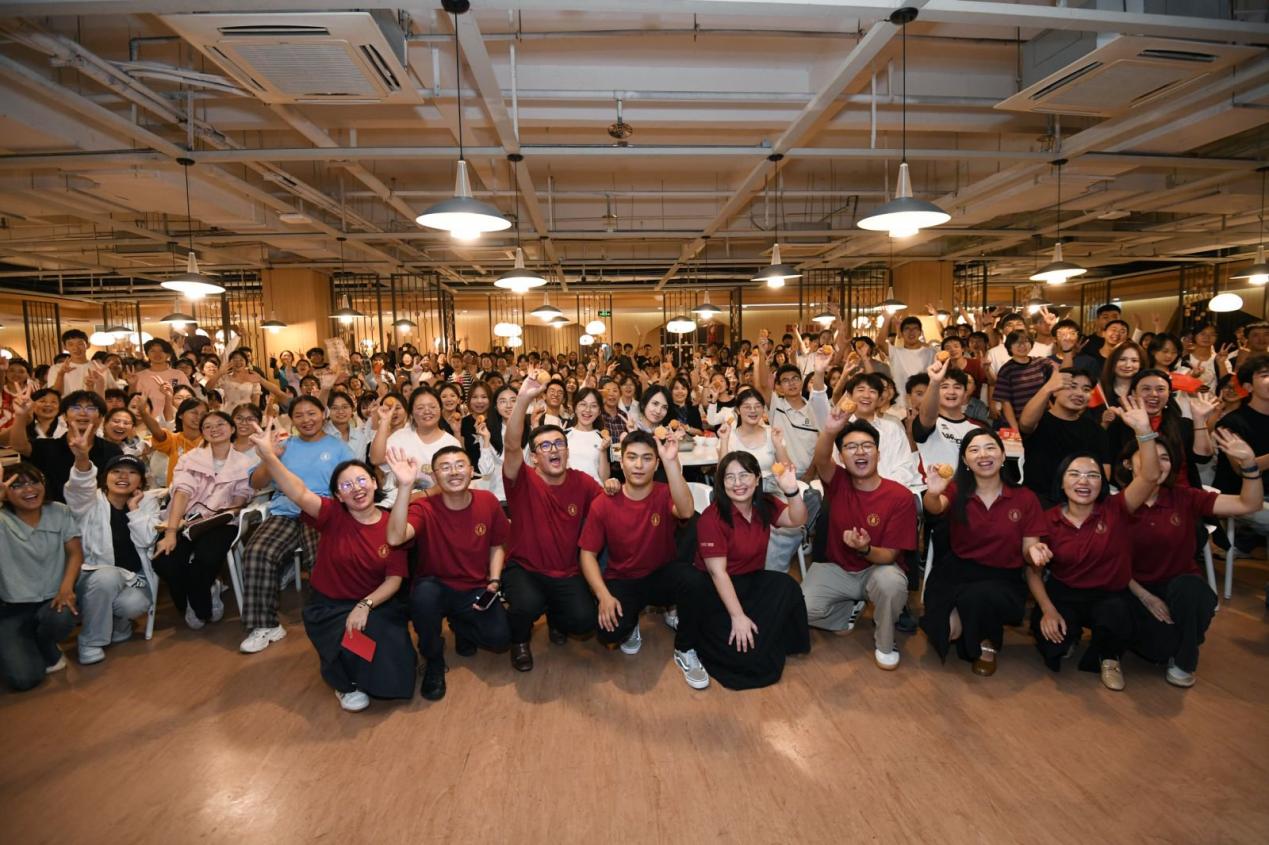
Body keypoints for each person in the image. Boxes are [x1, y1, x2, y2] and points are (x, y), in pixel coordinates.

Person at [248, 421, 415, 712]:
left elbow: (394, 580)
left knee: (397, 670)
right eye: (346, 486)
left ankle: (363, 667)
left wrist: (364, 605)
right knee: (354, 645)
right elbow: (299, 492)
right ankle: (344, 681)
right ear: (338, 495)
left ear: (375, 483)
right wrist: (270, 457)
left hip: (375, 604)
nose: (356, 489)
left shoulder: (393, 524)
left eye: (362, 480)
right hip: (329, 608)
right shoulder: (332, 515)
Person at [1023, 397, 1160, 691]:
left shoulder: (1117, 508)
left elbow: (1150, 476)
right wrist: (1047, 609)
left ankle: (1109, 657)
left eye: (1092, 475)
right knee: (1052, 648)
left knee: (1117, 617)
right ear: (1062, 482)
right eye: (1074, 474)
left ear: (1102, 483)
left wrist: (1144, 431)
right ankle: (1070, 635)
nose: (1083, 481)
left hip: (1109, 595)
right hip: (1065, 593)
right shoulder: (1048, 518)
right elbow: (1033, 571)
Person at [1118, 427, 1261, 687]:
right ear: (1128, 464)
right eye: (1149, 455)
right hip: (1133, 589)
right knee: (1159, 648)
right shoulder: (1117, 504)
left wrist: (1250, 465)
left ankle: (1184, 662)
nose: (1157, 464)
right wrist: (1146, 596)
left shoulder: (1183, 496)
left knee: (1193, 589)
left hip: (1179, 587)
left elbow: (1248, 504)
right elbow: (1110, 563)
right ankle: (1173, 641)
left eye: (1164, 458)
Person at [578, 430, 708, 687]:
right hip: (623, 578)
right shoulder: (604, 502)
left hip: (661, 574)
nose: (639, 465)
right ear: (621, 461)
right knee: (608, 632)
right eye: (632, 457)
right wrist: (603, 596)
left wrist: (671, 463)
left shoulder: (663, 492)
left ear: (656, 464)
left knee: (695, 581)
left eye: (647, 458)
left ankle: (685, 649)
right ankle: (631, 621)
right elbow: (587, 554)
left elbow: (685, 511)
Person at [383, 445, 510, 701]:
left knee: (500, 638)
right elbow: (395, 538)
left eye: (460, 465)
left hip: (475, 587)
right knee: (423, 598)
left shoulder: (487, 501)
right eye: (445, 467)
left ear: (471, 471)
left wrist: (495, 580)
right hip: (435, 587)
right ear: (434, 476)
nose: (454, 472)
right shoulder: (424, 508)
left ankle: (461, 625)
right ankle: (434, 660)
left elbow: (497, 545)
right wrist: (405, 487)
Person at [500, 371, 607, 672]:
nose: (554, 449)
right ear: (534, 457)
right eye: (545, 446)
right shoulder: (522, 480)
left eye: (559, 443)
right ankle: (520, 641)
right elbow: (512, 446)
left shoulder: (582, 482)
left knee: (584, 621)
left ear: (567, 451)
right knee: (526, 605)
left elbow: (607, 509)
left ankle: (556, 617)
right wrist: (523, 399)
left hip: (566, 570)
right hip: (525, 568)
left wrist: (612, 485)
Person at [919, 429, 1046, 675]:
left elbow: (1029, 548)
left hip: (1002, 577)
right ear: (965, 460)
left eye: (990, 448)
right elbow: (935, 508)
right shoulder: (956, 490)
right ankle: (965, 620)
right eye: (974, 450)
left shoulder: (1024, 497)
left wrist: (1035, 552)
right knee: (946, 631)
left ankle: (987, 642)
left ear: (1002, 455)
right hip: (956, 572)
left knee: (977, 598)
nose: (983, 455)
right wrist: (933, 493)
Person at [240, 396, 354, 655]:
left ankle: (332, 618)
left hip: (321, 511)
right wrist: (270, 457)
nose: (306, 420)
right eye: (299, 415)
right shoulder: (283, 445)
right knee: (257, 551)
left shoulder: (339, 448)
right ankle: (265, 625)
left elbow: (350, 481)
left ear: (323, 413)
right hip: (286, 511)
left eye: (312, 413)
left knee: (321, 556)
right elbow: (256, 483)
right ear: (291, 420)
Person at [686, 451, 809, 689]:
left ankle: (778, 641)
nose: (738, 483)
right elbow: (718, 573)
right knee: (745, 663)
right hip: (716, 590)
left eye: (744, 475)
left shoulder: (765, 504)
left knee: (787, 586)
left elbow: (798, 519)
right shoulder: (711, 519)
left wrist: (792, 490)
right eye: (730, 477)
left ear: (757, 478)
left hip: (751, 579)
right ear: (722, 483)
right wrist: (738, 617)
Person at [806, 416, 917, 669]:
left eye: (867, 445)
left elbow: (889, 556)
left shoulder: (900, 496)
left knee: (891, 584)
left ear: (878, 453)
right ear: (841, 456)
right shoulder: (838, 482)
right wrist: (830, 430)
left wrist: (864, 548)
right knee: (800, 608)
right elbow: (821, 458)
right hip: (837, 569)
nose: (860, 451)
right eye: (851, 446)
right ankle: (846, 612)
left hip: (877, 569)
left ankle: (885, 642)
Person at [151, 411, 254, 630]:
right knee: (165, 560)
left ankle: (201, 605)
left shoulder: (244, 462)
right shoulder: (190, 459)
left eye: (220, 424)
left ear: (232, 429)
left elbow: (239, 500)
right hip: (185, 519)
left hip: (220, 522)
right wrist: (171, 532)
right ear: (203, 433)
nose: (214, 429)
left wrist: (225, 511)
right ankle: (200, 596)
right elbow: (182, 493)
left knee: (207, 557)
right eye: (207, 426)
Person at [63, 441, 160, 663]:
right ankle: (90, 641)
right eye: (116, 471)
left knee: (133, 604)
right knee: (108, 576)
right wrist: (82, 458)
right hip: (92, 577)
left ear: (141, 481)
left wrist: (134, 509)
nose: (123, 476)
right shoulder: (89, 501)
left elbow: (147, 539)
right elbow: (78, 487)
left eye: (132, 472)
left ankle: (119, 623)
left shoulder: (147, 503)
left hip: (133, 577)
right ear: (105, 477)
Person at [0, 463, 81, 691]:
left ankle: (45, 643)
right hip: (11, 609)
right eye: (17, 485)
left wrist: (66, 588)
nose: (29, 489)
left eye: (34, 482)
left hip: (50, 601)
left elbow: (75, 552)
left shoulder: (59, 511)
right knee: (24, 679)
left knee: (62, 617)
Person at [9, 389, 122, 504]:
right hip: (53, 512)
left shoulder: (112, 451)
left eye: (91, 408)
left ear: (101, 417)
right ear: (64, 416)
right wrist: (20, 415)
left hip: (96, 511)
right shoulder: (46, 446)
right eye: (76, 408)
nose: (83, 413)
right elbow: (20, 446)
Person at [1018, 367, 1108, 509]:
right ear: (1055, 391)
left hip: (1078, 506)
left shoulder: (1095, 430)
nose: (1079, 393)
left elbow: (1103, 472)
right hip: (1038, 503)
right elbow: (1025, 423)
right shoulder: (1039, 420)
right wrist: (1047, 388)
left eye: (1086, 389)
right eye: (1072, 386)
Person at [1212, 355, 1269, 558]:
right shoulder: (1232, 422)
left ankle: (1244, 544)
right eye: (1265, 375)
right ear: (1248, 386)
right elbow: (1241, 468)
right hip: (1242, 496)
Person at [373, 386, 461, 506]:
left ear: (440, 409)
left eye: (432, 407)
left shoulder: (451, 443)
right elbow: (376, 459)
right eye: (420, 408)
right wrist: (384, 421)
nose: (427, 411)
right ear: (411, 413)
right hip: (394, 502)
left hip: (433, 504)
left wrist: (421, 495)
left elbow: (454, 481)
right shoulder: (400, 437)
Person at [913, 358, 983, 479]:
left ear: (965, 393)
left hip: (968, 487)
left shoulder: (977, 427)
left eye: (957, 387)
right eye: (944, 386)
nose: (951, 392)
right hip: (933, 487)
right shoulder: (930, 421)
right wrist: (934, 382)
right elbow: (927, 415)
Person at [994, 330, 1056, 431]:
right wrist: (1015, 429)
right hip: (1017, 423)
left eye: (1026, 341)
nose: (1022, 345)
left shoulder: (1041, 363)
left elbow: (1060, 370)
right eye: (1017, 342)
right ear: (1009, 347)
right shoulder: (1006, 370)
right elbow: (1005, 403)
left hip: (1043, 422)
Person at [881, 315, 934, 409]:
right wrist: (887, 319)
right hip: (899, 404)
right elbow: (880, 342)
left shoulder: (931, 352)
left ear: (920, 332)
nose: (911, 332)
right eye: (907, 329)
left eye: (915, 328)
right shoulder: (895, 352)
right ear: (901, 333)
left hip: (924, 404)